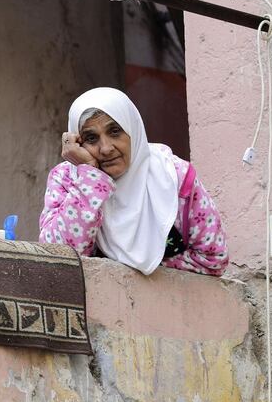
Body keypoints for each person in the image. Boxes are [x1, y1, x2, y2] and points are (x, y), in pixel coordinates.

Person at [39, 87, 228, 276]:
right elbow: (59, 259)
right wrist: (89, 177)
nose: (105, 149)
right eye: (91, 138)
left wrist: (141, 267)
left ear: (133, 130)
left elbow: (213, 260)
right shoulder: (67, 178)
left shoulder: (174, 176)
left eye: (114, 131)